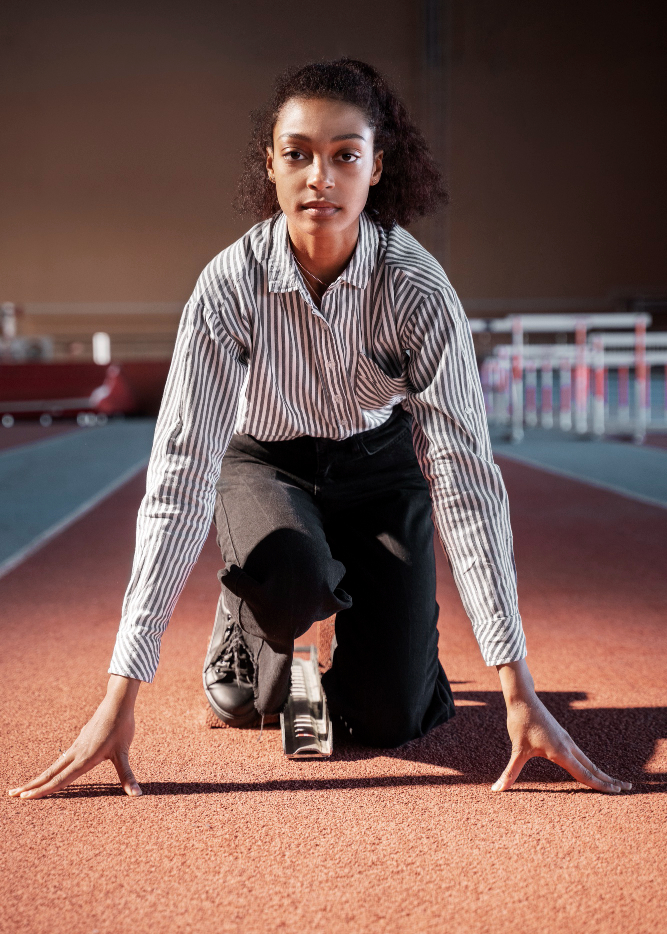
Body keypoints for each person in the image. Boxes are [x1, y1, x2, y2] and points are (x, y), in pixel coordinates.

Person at [9, 58, 630, 801]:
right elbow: (179, 475)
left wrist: (516, 685)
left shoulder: (417, 290)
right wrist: (121, 693)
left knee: (394, 718)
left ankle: (362, 633)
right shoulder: (227, 288)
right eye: (298, 154)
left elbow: (465, 480)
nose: (320, 177)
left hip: (377, 469)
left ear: (375, 168)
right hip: (263, 465)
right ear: (269, 164)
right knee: (255, 686)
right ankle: (255, 616)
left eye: (345, 156)